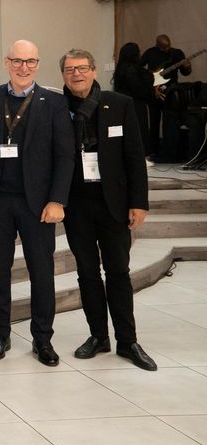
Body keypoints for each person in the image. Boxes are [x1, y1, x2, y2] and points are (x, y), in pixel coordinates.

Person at [60, 49, 157, 371]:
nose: (77, 74)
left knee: (117, 272)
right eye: (70, 69)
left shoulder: (119, 104)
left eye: (82, 68)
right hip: (76, 205)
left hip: (113, 204)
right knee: (87, 274)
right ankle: (98, 337)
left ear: (93, 71)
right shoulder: (57, 108)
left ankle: (128, 341)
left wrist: (139, 203)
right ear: (63, 74)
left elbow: (134, 157)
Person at [0, 40, 74, 367]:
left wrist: (57, 199)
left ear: (37, 64)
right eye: (18, 61)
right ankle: (0, 333)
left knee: (42, 270)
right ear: (8, 62)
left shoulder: (54, 102)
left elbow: (65, 156)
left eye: (31, 61)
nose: (24, 67)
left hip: (37, 203)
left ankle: (43, 337)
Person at [141, 34, 192, 160]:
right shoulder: (150, 53)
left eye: (168, 46)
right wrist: (151, 85)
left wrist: (187, 67)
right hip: (154, 91)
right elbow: (140, 70)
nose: (167, 49)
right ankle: (153, 150)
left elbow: (185, 73)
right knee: (154, 121)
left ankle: (169, 151)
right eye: (164, 47)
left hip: (171, 90)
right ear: (157, 45)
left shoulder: (177, 53)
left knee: (170, 122)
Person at [113, 42, 156, 158]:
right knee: (139, 129)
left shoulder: (120, 69)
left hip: (121, 104)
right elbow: (139, 89)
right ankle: (140, 155)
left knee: (127, 130)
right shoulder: (134, 70)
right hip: (136, 104)